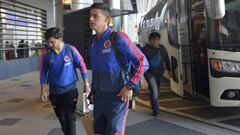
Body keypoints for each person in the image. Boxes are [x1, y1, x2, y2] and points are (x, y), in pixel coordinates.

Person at [88, 3, 149, 135]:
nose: (91, 19)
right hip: (99, 98)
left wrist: (129, 86)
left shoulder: (118, 38)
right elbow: (96, 69)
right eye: (90, 16)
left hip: (117, 98)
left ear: (107, 19)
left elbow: (142, 62)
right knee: (100, 132)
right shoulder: (92, 42)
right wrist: (93, 90)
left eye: (95, 16)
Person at [39, 27, 90, 135]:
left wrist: (86, 83)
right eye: (48, 42)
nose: (50, 45)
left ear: (60, 39)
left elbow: (82, 65)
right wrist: (43, 90)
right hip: (55, 92)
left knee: (69, 118)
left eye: (52, 42)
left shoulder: (70, 49)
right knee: (62, 120)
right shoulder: (46, 53)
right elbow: (43, 72)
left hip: (70, 90)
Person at [141, 31, 171, 116]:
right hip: (149, 73)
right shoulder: (145, 49)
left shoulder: (162, 48)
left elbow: (166, 59)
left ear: (159, 40)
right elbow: (140, 61)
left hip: (159, 73)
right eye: (152, 40)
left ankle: (154, 104)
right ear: (149, 41)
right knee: (154, 90)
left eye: (156, 40)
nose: (154, 42)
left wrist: (169, 70)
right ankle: (155, 109)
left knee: (156, 90)